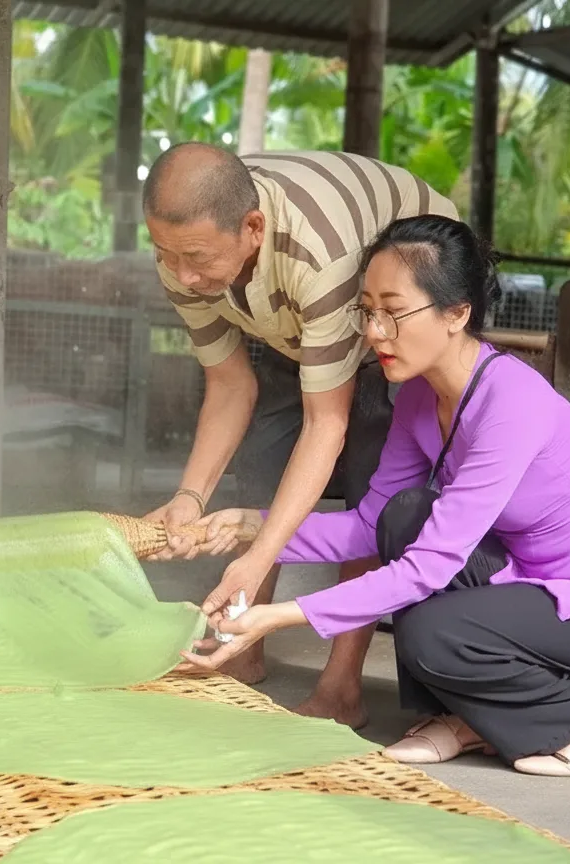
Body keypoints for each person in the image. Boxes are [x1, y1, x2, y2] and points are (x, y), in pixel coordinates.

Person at [177, 214, 570, 778]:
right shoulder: (418, 398)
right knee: (403, 517)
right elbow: (370, 526)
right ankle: (466, 717)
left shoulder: (512, 401)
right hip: (530, 575)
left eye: (393, 312)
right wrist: (251, 526)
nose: (375, 333)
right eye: (367, 311)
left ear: (457, 314)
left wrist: (277, 616)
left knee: (433, 634)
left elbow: (430, 566)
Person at [141, 143, 460, 728]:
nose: (180, 274)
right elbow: (230, 385)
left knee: (372, 488)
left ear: (253, 228)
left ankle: (341, 685)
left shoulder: (319, 258)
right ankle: (242, 650)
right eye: (165, 252)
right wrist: (189, 498)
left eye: (195, 258)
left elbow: (326, 423)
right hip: (305, 320)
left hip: (399, 306)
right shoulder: (187, 248)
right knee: (262, 456)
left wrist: (259, 554)